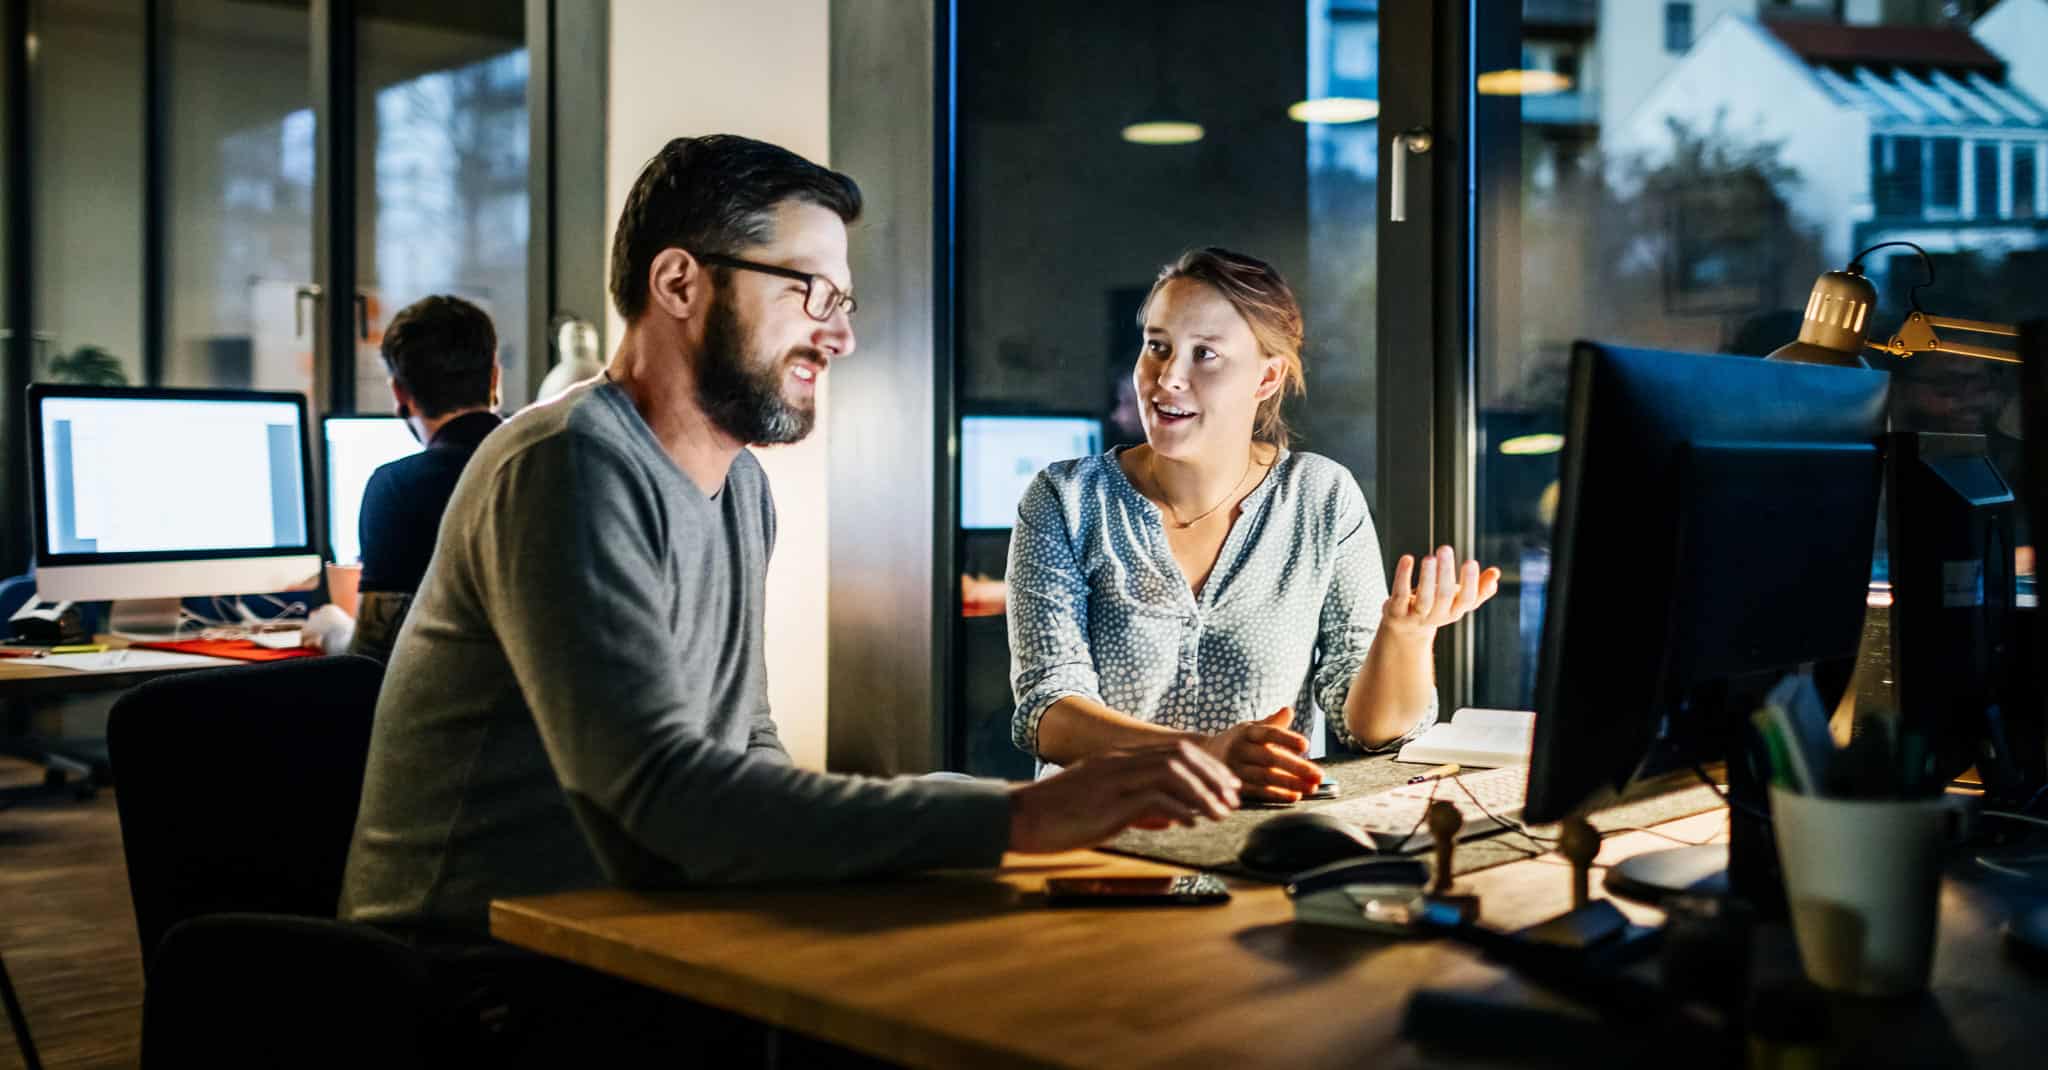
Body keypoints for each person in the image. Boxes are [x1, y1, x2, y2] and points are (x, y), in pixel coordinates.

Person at [339, 137, 1240, 1052]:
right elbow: (663, 802)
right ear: (681, 284)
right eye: (807, 291)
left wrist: (973, 806)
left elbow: (746, 751)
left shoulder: (739, 488)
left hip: (642, 944)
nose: (840, 334)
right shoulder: (567, 464)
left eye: (841, 300)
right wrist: (1017, 816)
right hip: (471, 986)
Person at [1008, 248, 1501, 801]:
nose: (1169, 376)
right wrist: (1205, 755)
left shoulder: (1322, 496)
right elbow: (1048, 712)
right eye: (1158, 346)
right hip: (1097, 838)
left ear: (1266, 378)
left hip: (1265, 839)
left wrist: (1405, 638)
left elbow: (1368, 730)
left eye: (1206, 355)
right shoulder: (1065, 498)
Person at [348, 294, 504, 662]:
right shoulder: (545, 464)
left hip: (445, 708)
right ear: (494, 377)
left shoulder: (397, 488)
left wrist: (331, 632)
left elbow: (373, 655)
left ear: (399, 393)